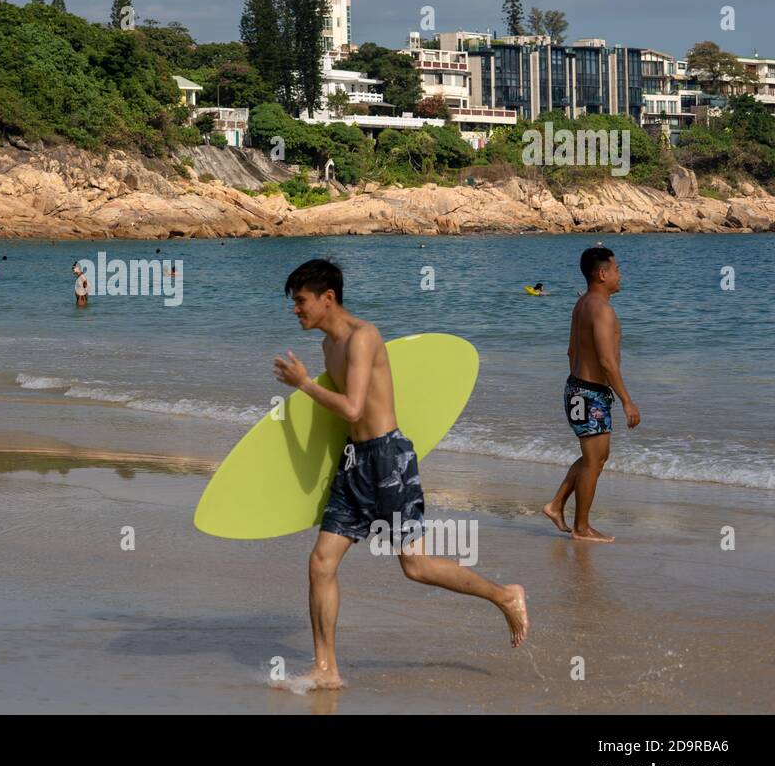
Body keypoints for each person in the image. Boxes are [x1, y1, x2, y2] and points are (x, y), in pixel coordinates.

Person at [273, 259, 528, 691]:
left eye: (300, 301)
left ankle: (505, 595)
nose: (295, 310)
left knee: (416, 567)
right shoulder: (327, 347)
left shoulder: (363, 337)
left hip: (388, 460)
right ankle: (326, 669)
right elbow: (346, 420)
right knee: (320, 563)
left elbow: (353, 407)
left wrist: (303, 385)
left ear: (327, 298)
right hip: (353, 461)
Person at [543, 247, 640, 543]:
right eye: (616, 269)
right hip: (589, 395)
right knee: (594, 460)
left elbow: (571, 350)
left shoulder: (583, 304)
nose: (620, 274)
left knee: (595, 458)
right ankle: (581, 528)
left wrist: (580, 385)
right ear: (602, 274)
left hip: (578, 389)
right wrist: (626, 400)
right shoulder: (602, 310)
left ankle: (556, 505)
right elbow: (607, 360)